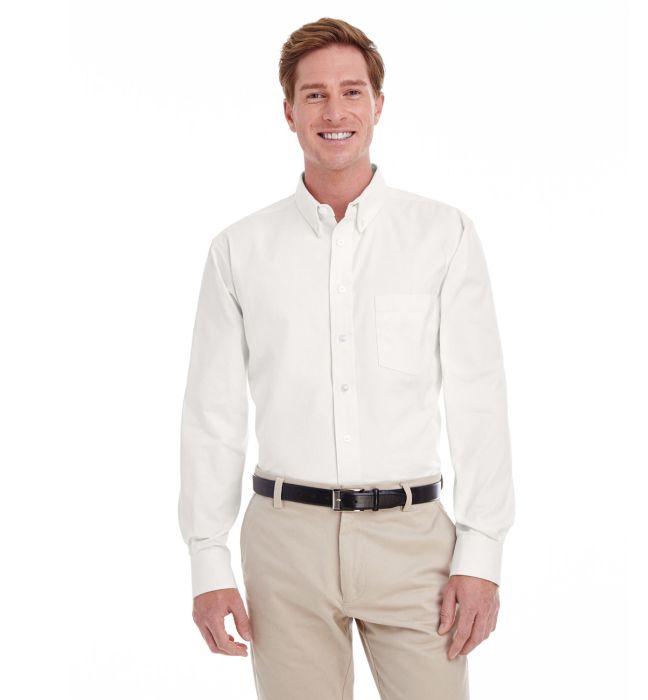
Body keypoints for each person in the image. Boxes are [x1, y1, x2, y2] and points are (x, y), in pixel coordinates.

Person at [178, 16, 515, 700]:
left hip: (414, 545)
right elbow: (212, 414)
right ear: (289, 112)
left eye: (351, 92)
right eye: (315, 95)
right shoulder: (239, 250)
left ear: (378, 105)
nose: (335, 112)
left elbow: (479, 400)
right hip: (284, 548)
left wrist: (482, 552)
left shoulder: (443, 236)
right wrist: (208, 558)